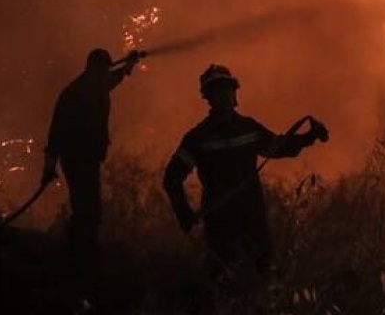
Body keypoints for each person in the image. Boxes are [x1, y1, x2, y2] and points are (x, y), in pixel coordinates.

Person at [163, 64, 327, 288]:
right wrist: (184, 213)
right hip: (220, 220)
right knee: (223, 278)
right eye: (217, 90)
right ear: (208, 98)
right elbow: (172, 178)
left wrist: (309, 136)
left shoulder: (248, 128)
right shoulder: (198, 137)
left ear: (235, 92)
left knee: (263, 269)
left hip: (252, 214)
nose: (224, 95)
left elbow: (277, 148)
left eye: (228, 89)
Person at [41, 48, 143, 265]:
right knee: (85, 206)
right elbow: (56, 131)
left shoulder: (97, 86)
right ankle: (78, 253)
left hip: (89, 158)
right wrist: (49, 166)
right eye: (101, 70)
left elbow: (117, 78)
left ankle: (83, 249)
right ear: (91, 68)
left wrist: (130, 64)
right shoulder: (74, 93)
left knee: (90, 206)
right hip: (76, 158)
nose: (104, 74)